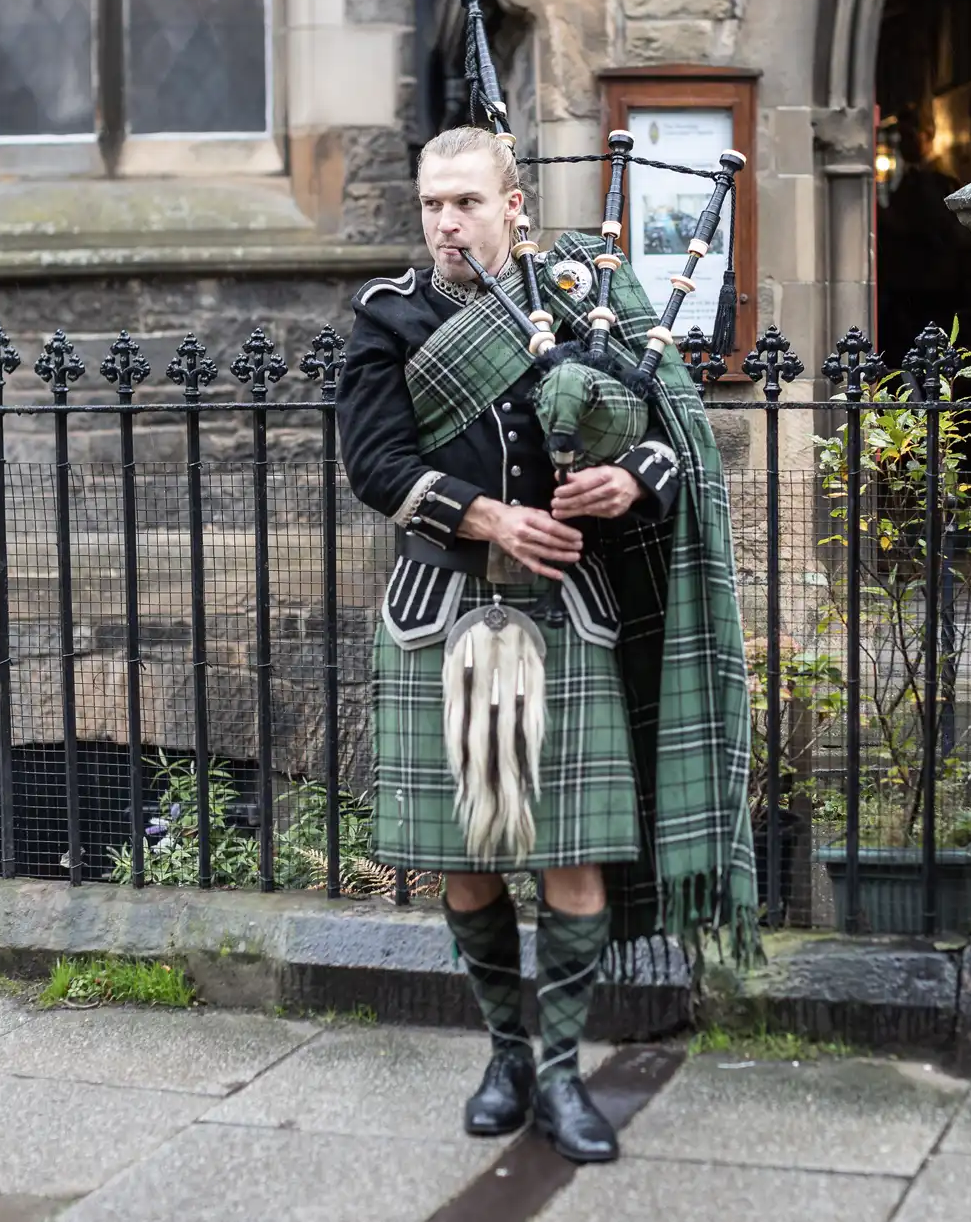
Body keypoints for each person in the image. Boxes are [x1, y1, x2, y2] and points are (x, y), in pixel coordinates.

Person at [340, 126, 756, 1164]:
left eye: (467, 203)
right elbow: (374, 465)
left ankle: (563, 1070)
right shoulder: (389, 319)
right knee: (466, 864)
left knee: (573, 861)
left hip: (567, 611)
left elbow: (667, 424)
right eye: (433, 204)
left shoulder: (584, 295)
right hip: (444, 611)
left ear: (514, 205)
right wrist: (488, 517)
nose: (446, 223)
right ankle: (504, 1053)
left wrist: (630, 481)